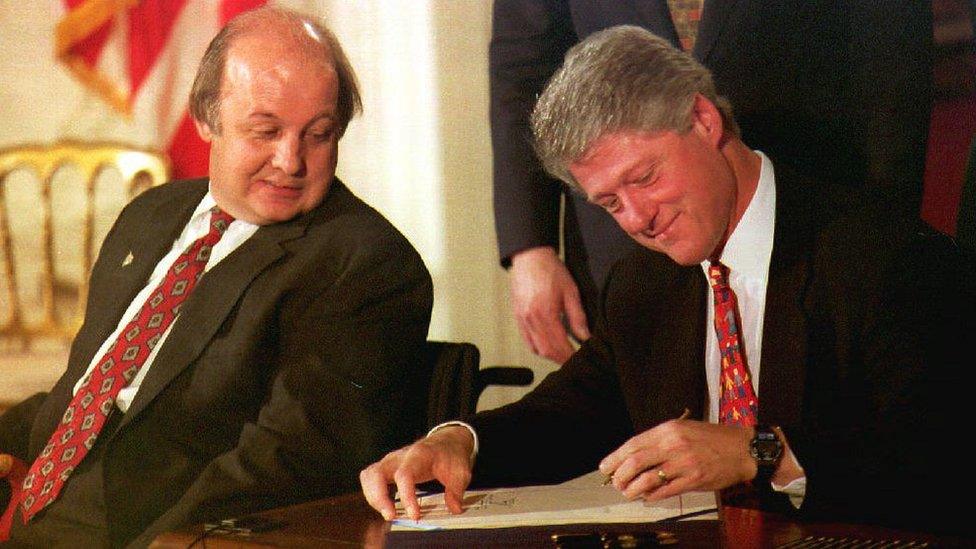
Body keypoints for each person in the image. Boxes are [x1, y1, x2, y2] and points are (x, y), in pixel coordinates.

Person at [362, 26, 971, 534]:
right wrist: (458, 441)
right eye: (610, 204)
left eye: (645, 178)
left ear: (703, 120)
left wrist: (759, 453)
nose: (639, 219)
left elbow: (939, 463)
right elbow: (574, 410)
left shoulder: (881, 257)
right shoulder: (643, 282)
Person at [0, 7, 433, 547]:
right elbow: (90, 390)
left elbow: (287, 462)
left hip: (157, 530)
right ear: (206, 119)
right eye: (265, 131)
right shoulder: (150, 215)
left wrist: (168, 541)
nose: (290, 160)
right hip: (37, 502)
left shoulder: (364, 262)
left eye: (318, 135)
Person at [492, 0, 933, 364]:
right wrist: (531, 248)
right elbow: (521, 66)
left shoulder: (867, 263)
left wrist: (886, 238)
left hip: (808, 219)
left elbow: (892, 62)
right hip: (627, 256)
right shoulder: (632, 243)